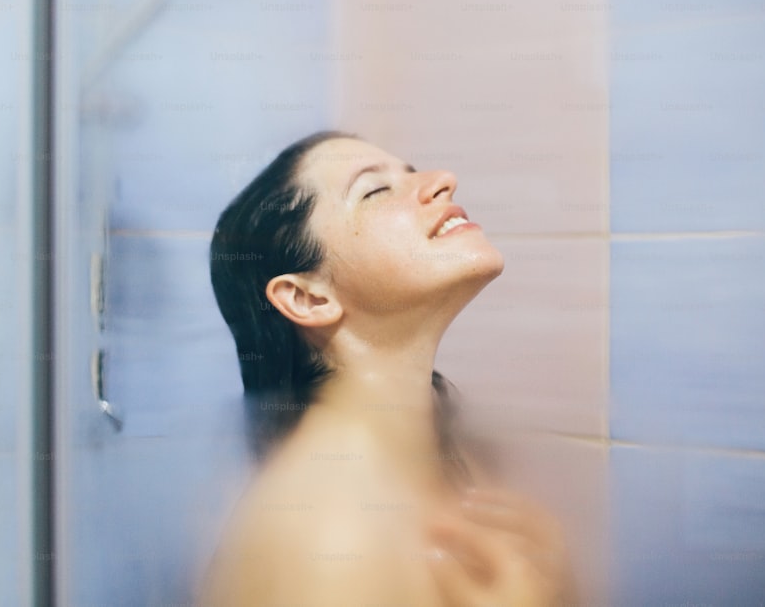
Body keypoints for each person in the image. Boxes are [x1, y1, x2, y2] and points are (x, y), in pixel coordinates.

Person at [199, 131, 577, 606]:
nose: (443, 180)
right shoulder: (330, 531)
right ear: (308, 297)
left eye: (412, 171)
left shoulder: (446, 462)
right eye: (375, 190)